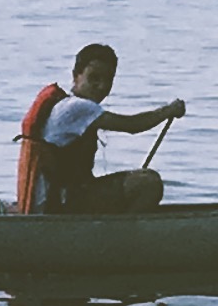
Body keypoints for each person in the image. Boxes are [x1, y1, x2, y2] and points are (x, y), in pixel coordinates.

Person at [15, 43, 185, 213]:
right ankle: (123, 229)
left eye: (108, 79)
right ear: (76, 76)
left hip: (63, 197)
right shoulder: (76, 107)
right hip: (60, 202)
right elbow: (132, 126)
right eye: (94, 78)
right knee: (148, 183)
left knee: (142, 178)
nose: (102, 86)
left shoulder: (67, 105)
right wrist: (168, 110)